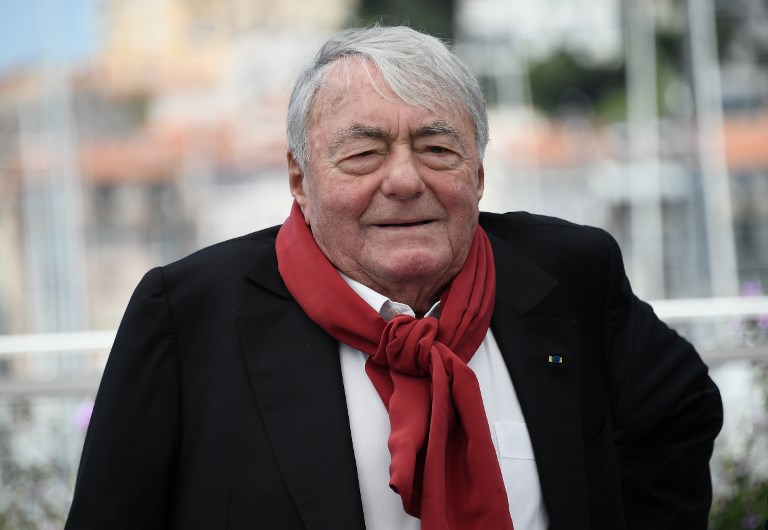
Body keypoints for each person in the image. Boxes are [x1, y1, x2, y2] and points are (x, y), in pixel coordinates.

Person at [65, 26, 723, 530]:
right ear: (300, 179)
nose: (404, 181)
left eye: (438, 149)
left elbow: (680, 413)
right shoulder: (189, 316)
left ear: (478, 173)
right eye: (363, 154)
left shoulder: (568, 272)